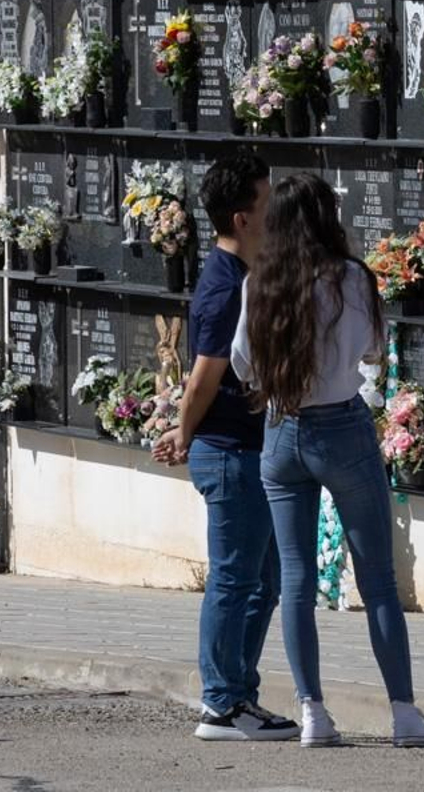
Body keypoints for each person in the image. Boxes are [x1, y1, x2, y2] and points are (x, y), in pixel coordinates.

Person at [230, 173, 424, 749]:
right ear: (327, 217)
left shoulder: (260, 282)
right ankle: (403, 713)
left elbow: (242, 363)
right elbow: (374, 350)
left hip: (281, 429)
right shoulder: (351, 277)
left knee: (296, 581)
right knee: (377, 580)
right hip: (342, 429)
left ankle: (313, 713)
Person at [151, 155, 297, 742]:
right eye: (268, 201)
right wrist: (185, 431)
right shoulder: (223, 287)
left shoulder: (244, 275)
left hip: (250, 449)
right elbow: (204, 377)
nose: (276, 211)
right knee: (236, 580)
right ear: (242, 218)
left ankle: (239, 695)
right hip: (231, 452)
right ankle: (221, 703)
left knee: (263, 582)